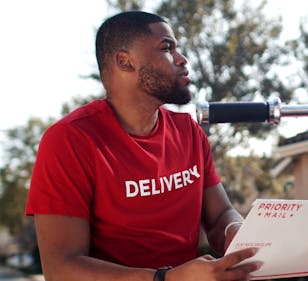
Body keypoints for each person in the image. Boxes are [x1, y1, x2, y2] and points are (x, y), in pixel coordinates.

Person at [25, 11, 262, 281]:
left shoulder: (189, 132)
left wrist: (235, 231)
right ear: (125, 62)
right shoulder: (70, 140)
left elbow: (220, 215)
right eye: (167, 48)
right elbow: (61, 269)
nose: (182, 59)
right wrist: (166, 278)